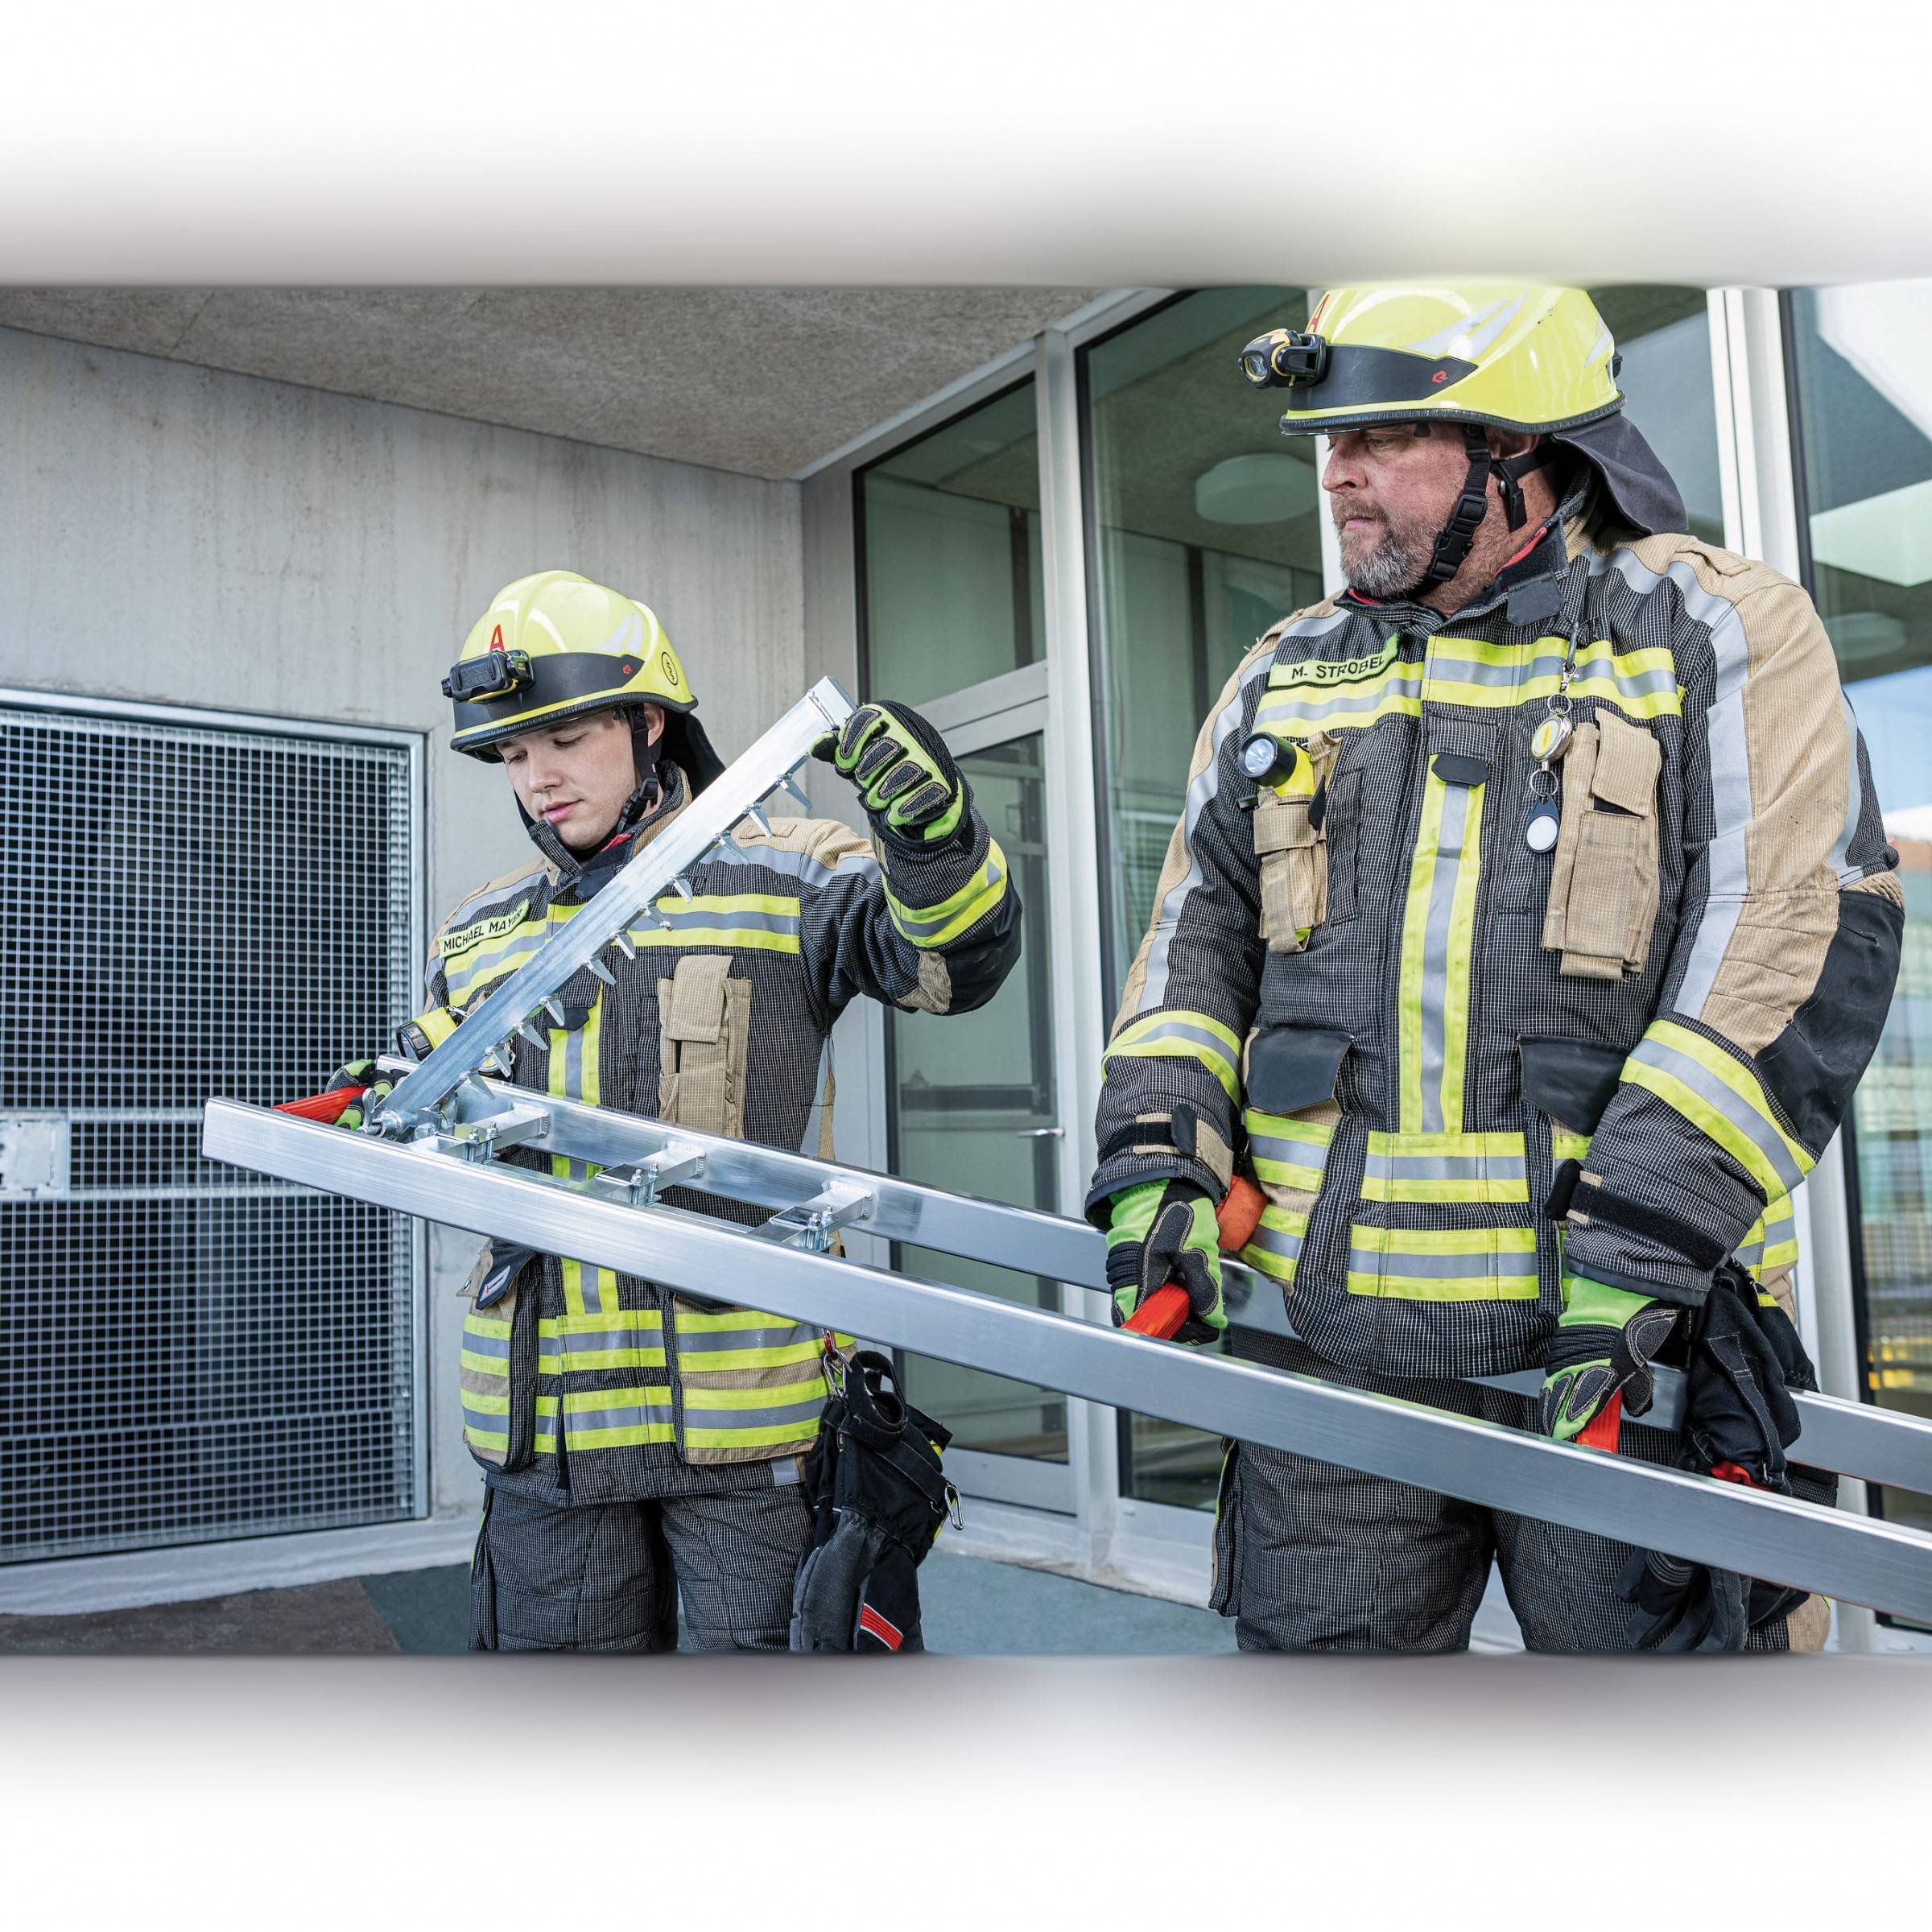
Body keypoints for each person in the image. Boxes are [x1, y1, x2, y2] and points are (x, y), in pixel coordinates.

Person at [1091, 287, 1902, 1653]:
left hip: (1621, 1344)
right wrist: (1158, 1157)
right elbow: (1196, 941)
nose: (1339, 471)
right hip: (1324, 1350)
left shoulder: (1709, 629)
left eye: (1385, 436)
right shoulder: (1284, 670)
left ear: (1520, 449)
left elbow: (1787, 936)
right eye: (1332, 439)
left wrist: (1641, 1251)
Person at [332, 568, 1020, 1650]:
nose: (538, 777)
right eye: (512, 753)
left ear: (650, 724)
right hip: (545, 1444)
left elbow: (950, 969)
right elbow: (421, 1112)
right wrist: (386, 1105)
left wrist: (934, 842)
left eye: (566, 739)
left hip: (747, 1435)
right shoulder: (481, 935)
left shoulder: (789, 874)